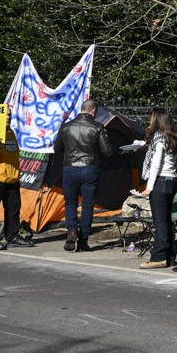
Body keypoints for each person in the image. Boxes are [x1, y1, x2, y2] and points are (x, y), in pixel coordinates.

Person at [55, 98, 117, 252]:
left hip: (70, 168)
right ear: (93, 111)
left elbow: (57, 149)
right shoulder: (97, 127)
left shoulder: (66, 127)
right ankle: (83, 240)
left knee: (70, 203)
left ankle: (71, 231)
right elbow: (107, 151)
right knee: (88, 204)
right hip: (90, 168)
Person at [137, 108, 177, 269]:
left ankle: (159, 256)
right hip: (172, 180)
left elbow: (156, 163)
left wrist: (149, 187)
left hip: (160, 181)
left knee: (160, 221)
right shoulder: (173, 137)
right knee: (167, 219)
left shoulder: (158, 137)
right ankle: (171, 255)